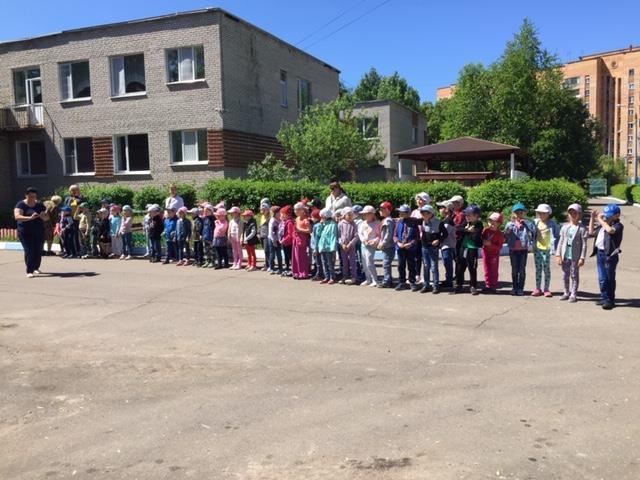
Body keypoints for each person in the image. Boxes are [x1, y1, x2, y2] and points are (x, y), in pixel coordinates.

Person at [589, 204, 623, 310]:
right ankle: (604, 297)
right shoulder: (603, 225)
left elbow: (610, 231)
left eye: (610, 215)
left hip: (610, 255)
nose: (607, 217)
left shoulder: (618, 225)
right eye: (606, 215)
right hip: (600, 254)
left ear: (617, 215)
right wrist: (592, 218)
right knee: (602, 278)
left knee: (609, 278)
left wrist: (600, 220)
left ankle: (610, 300)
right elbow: (591, 232)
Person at [555, 204, 588, 303]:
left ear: (579, 214)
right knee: (565, 275)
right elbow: (561, 242)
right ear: (568, 214)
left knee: (574, 275)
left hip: (575, 256)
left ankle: (573, 294)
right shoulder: (565, 227)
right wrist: (558, 254)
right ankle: (566, 292)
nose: (573, 215)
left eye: (575, 213)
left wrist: (582, 257)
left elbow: (584, 245)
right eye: (571, 213)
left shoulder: (582, 228)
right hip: (565, 255)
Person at [14, 187, 48, 277]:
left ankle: (36, 267)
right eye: (30, 196)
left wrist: (43, 216)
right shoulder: (21, 204)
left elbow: (46, 218)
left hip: (39, 231)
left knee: (38, 250)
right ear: (26, 196)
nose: (32, 198)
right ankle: (29, 271)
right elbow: (17, 216)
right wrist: (30, 218)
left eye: (34, 196)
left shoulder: (39, 205)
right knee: (29, 250)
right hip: (25, 231)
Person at [504, 203, 536, 296]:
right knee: (514, 270)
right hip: (513, 249)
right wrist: (507, 232)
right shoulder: (510, 224)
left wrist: (526, 223)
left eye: (521, 212)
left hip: (523, 249)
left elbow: (534, 231)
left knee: (522, 270)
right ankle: (514, 287)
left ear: (524, 213)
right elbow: (505, 235)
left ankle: (520, 288)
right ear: (513, 213)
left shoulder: (527, 223)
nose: (519, 214)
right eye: (517, 212)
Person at [419, 204, 447, 294]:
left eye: (425, 212)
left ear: (431, 213)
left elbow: (445, 234)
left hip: (433, 247)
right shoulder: (422, 221)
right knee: (426, 266)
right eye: (422, 213)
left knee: (434, 267)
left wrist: (438, 240)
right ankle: (426, 285)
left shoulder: (439, 222)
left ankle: (436, 285)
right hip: (424, 246)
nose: (423, 214)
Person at [455, 204, 483, 295]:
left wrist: (467, 231)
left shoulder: (479, 224)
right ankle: (459, 284)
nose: (467, 217)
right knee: (460, 267)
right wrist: (468, 230)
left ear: (476, 216)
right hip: (463, 248)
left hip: (472, 249)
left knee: (472, 267)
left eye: (469, 215)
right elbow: (458, 229)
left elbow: (475, 236)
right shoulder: (466, 222)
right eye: (466, 215)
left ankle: (473, 286)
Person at [532, 204, 559, 297]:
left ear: (548, 214)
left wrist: (555, 248)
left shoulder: (552, 223)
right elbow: (530, 231)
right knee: (538, 269)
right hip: (537, 249)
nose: (541, 215)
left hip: (547, 249)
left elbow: (557, 235)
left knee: (546, 269)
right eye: (540, 213)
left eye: (544, 213)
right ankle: (537, 288)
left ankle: (546, 289)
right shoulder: (535, 222)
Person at [394, 204, 420, 292]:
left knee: (411, 265)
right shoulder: (399, 222)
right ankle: (402, 282)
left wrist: (411, 243)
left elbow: (417, 237)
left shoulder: (413, 222)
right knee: (401, 265)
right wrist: (398, 243)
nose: (400, 214)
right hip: (400, 247)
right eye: (400, 212)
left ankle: (412, 282)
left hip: (410, 248)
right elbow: (395, 235)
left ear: (408, 213)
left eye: (402, 212)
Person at [481, 213, 506, 294]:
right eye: (490, 221)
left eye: (494, 222)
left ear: (499, 224)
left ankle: (493, 286)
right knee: (486, 270)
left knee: (493, 270)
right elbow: (481, 238)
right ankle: (488, 285)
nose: (492, 223)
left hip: (494, 254)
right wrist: (483, 241)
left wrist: (490, 244)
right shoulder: (486, 230)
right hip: (485, 253)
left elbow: (499, 247)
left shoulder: (499, 234)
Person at [411, 192, 432, 283]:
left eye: (421, 199)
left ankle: (425, 276)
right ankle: (417, 275)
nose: (419, 201)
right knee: (416, 257)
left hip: (425, 237)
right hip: (416, 237)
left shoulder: (429, 211)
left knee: (425, 258)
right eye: (418, 199)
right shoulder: (414, 212)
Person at [358, 205, 380, 287]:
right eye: (364, 214)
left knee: (369, 262)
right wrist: (363, 240)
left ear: (372, 214)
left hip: (371, 246)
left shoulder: (377, 223)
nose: (365, 215)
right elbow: (360, 233)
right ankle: (368, 279)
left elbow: (379, 235)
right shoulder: (363, 223)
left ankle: (375, 280)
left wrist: (373, 241)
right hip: (363, 245)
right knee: (364, 263)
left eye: (367, 214)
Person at [437, 200, 457, 289]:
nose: (439, 209)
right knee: (446, 263)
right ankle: (448, 279)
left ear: (447, 209)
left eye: (441, 207)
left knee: (448, 263)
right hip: (446, 245)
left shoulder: (448, 220)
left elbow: (445, 233)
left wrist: (437, 240)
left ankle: (449, 281)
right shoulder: (446, 219)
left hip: (448, 245)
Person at [377, 201, 395, 289]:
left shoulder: (388, 221)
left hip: (388, 246)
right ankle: (388, 280)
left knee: (386, 263)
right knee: (386, 263)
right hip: (387, 246)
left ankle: (387, 281)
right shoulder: (385, 219)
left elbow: (388, 234)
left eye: (382, 209)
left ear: (387, 210)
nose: (380, 211)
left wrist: (383, 243)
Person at [338, 207, 358, 285]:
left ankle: (354, 277)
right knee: (344, 262)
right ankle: (345, 276)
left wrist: (350, 244)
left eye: (351, 215)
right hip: (343, 246)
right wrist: (342, 244)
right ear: (344, 215)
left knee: (352, 261)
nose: (350, 216)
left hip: (351, 246)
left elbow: (356, 236)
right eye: (348, 214)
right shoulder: (341, 224)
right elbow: (338, 236)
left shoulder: (354, 224)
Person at [318, 208, 338, 284]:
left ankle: (332, 277)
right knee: (324, 262)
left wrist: (333, 247)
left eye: (322, 216)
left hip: (329, 247)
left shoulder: (333, 224)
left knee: (330, 263)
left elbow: (333, 236)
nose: (321, 218)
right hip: (322, 246)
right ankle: (326, 277)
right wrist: (320, 225)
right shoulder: (323, 224)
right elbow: (319, 234)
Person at [292, 202, 311, 279]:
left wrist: (299, 230)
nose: (295, 211)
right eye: (295, 210)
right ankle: (297, 272)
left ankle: (303, 273)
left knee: (302, 257)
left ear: (302, 210)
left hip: (302, 240)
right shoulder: (297, 219)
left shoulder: (306, 220)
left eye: (297, 210)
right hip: (296, 239)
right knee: (296, 256)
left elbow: (309, 230)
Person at [279, 205, 295, 276]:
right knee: (286, 256)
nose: (281, 215)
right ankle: (287, 268)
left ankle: (292, 269)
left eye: (282, 214)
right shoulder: (285, 222)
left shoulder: (289, 223)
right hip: (285, 242)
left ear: (287, 214)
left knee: (290, 256)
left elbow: (290, 234)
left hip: (289, 243)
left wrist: (284, 240)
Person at [310, 209, 325, 281]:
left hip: (316, 246)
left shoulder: (317, 226)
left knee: (318, 261)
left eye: (312, 217)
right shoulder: (318, 225)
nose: (311, 218)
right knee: (318, 261)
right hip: (317, 246)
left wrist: (315, 248)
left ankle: (319, 274)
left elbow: (316, 238)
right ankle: (320, 273)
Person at [268, 206, 283, 274]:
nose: (280, 213)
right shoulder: (272, 220)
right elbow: (271, 232)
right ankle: (271, 268)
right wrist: (274, 241)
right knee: (272, 254)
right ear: (275, 213)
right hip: (272, 239)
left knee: (279, 254)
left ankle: (280, 268)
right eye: (279, 212)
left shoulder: (280, 220)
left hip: (278, 239)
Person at [258, 201, 271, 271]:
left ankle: (270, 265)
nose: (262, 211)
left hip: (267, 236)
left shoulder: (270, 217)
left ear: (267, 209)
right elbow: (260, 226)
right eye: (261, 210)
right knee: (265, 251)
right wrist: (258, 233)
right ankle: (267, 264)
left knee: (267, 251)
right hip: (261, 236)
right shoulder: (262, 217)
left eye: (263, 210)